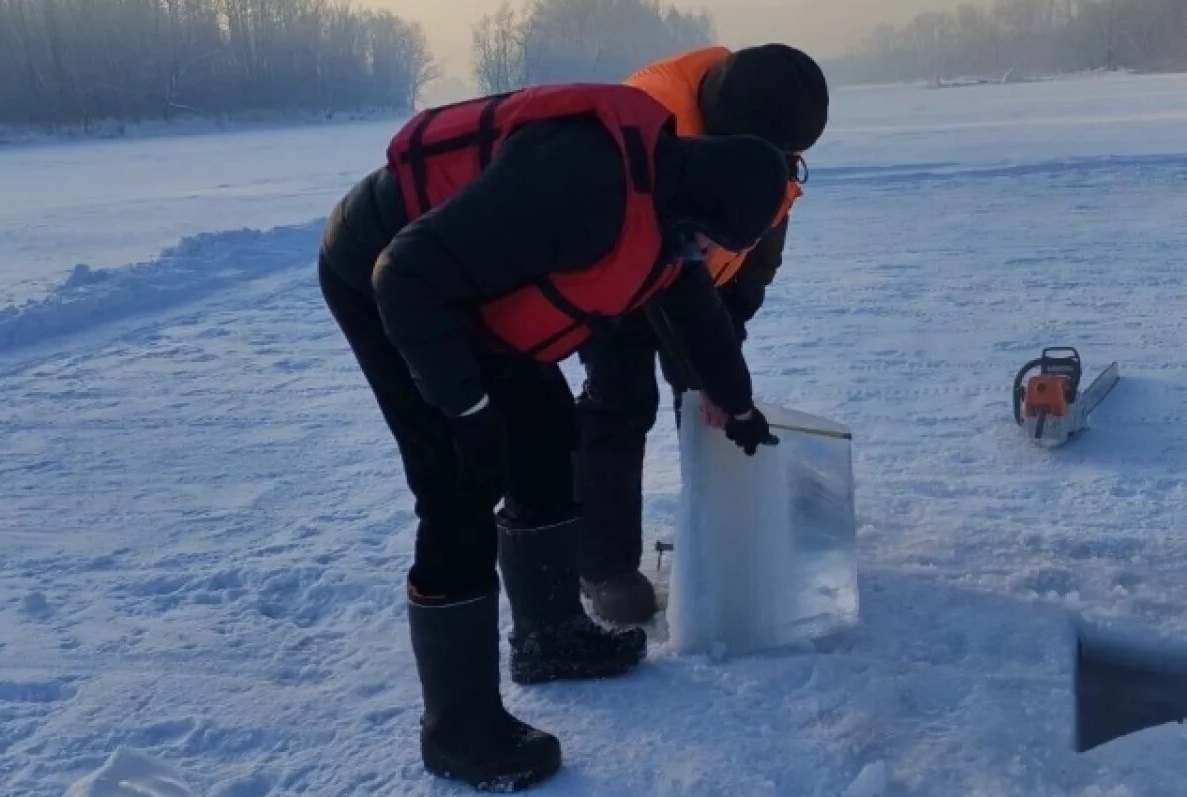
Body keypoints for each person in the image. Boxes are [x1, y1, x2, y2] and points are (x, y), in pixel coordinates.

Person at [318, 82, 788, 792]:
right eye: (708, 238)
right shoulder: (583, 186)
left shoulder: (669, 201)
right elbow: (404, 275)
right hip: (382, 267)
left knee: (544, 428)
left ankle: (549, 636)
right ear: (695, 206)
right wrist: (467, 410)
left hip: (466, 281)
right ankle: (459, 732)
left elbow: (693, 310)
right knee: (457, 480)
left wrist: (739, 403)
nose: (704, 253)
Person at [574, 43, 831, 625]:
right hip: (615, 263)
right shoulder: (651, 129)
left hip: (693, 275)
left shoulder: (765, 107)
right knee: (621, 397)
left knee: (708, 395)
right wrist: (715, 375)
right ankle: (602, 564)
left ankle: (726, 533)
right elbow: (667, 281)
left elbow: (766, 235)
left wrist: (732, 319)